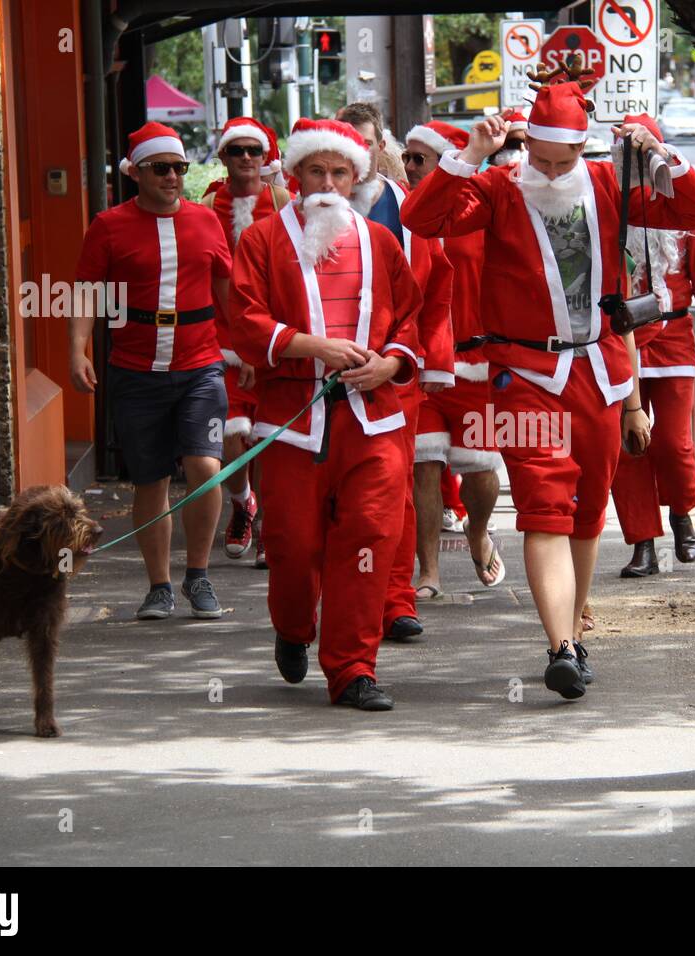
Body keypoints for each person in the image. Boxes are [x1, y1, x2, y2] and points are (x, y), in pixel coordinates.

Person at [401, 73, 695, 699]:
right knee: (545, 505)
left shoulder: (607, 184)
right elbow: (423, 216)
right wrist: (468, 156)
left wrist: (661, 154)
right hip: (524, 374)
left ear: (582, 148)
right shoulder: (499, 185)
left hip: (598, 371)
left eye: (562, 157)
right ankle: (560, 646)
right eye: (539, 157)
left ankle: (575, 629)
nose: (547, 169)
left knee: (588, 511)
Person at [229, 117, 423, 711]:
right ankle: (292, 627)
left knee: (368, 540)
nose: (329, 183)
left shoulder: (382, 241)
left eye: (341, 172)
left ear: (356, 177)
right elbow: (243, 320)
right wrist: (313, 346)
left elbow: (410, 320)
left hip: (373, 421)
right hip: (293, 421)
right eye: (318, 170)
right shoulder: (261, 240)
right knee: (291, 543)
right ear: (296, 173)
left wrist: (392, 363)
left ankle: (353, 669)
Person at [71, 121, 231, 621]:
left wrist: (245, 350)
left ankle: (199, 576)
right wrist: (77, 349)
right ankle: (159, 585)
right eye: (160, 168)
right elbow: (86, 292)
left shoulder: (207, 221)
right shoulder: (108, 225)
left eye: (179, 168)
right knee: (151, 480)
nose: (172, 176)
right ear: (136, 173)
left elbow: (229, 291)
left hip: (201, 363)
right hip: (136, 368)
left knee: (205, 468)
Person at [339, 103, 456, 642]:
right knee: (334, 501)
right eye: (346, 147)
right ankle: (334, 602)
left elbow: (434, 292)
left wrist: (427, 361)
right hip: (326, 381)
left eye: (366, 144)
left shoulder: (407, 207)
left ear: (378, 143)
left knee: (397, 491)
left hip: (394, 371)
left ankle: (396, 600)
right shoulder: (308, 213)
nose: (357, 158)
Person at [608, 113, 695, 578]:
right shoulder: (612, 205)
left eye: (645, 153)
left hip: (676, 339)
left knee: (674, 442)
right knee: (628, 447)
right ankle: (643, 542)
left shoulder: (686, 216)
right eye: (630, 155)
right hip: (624, 343)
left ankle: (682, 514)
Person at [401, 121, 506, 598]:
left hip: (478, 363)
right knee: (424, 466)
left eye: (419, 158)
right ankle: (429, 572)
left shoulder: (481, 207)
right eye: (406, 156)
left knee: (481, 474)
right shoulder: (400, 212)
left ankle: (478, 530)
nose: (409, 165)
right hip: (421, 366)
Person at [201, 116, 291, 568]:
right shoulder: (206, 202)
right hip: (221, 337)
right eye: (237, 151)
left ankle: (272, 531)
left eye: (254, 151)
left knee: (273, 440)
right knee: (232, 436)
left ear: (265, 157)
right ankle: (242, 504)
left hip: (275, 336)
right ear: (223, 157)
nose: (246, 159)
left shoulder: (282, 201)